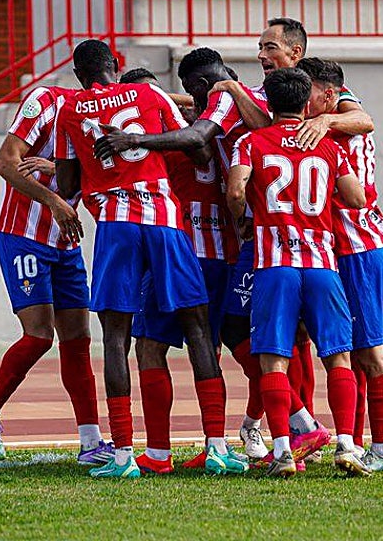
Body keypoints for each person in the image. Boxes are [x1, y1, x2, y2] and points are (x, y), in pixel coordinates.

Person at [54, 40, 244, 478]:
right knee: (198, 328)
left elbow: (66, 184)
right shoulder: (149, 95)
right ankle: (216, 445)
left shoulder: (70, 111)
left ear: (80, 74)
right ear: (115, 66)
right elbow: (197, 148)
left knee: (118, 338)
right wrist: (146, 142)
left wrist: (94, 160)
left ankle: (124, 457)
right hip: (164, 219)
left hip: (116, 226)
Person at [226, 67, 370, 477]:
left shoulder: (250, 141)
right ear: (306, 102)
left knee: (274, 360)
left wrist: (243, 218)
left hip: (275, 266)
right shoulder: (327, 146)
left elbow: (236, 191)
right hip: (322, 264)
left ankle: (285, 451)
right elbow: (356, 197)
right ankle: (347, 445)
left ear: (267, 103)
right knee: (338, 357)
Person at [115, 66, 252, 472]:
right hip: (222, 254)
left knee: (150, 347)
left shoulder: (155, 140)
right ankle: (221, 446)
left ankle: (158, 452)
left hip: (174, 248)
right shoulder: (224, 127)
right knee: (207, 345)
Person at [297, 58, 383, 471]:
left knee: (367, 354)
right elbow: (363, 118)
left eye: (311, 91)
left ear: (330, 94)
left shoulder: (330, 131)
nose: (305, 101)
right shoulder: (346, 119)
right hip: (379, 242)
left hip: (355, 251)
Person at [0, 85, 112, 466]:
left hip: (66, 243)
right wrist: (53, 197)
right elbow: (4, 163)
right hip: (24, 237)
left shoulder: (112, 115)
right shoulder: (46, 102)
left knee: (79, 340)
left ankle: (90, 442)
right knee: (38, 336)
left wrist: (62, 169)